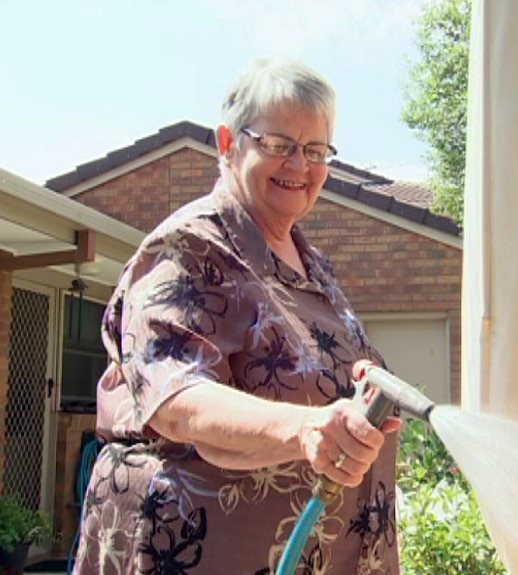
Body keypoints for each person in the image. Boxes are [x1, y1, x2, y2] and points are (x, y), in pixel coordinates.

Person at [73, 56, 402, 575]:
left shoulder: (310, 262)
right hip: (195, 548)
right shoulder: (190, 246)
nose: (300, 166)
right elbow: (175, 398)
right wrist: (307, 428)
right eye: (278, 145)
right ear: (227, 144)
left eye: (316, 150)